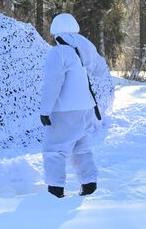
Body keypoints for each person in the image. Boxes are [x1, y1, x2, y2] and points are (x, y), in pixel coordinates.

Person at [41, 13, 108, 198]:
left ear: (56, 32)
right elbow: (101, 71)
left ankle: (55, 190)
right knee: (82, 147)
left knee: (54, 149)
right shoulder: (85, 47)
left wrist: (45, 110)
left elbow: (52, 84)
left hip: (64, 110)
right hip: (85, 108)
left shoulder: (58, 53)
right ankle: (89, 185)